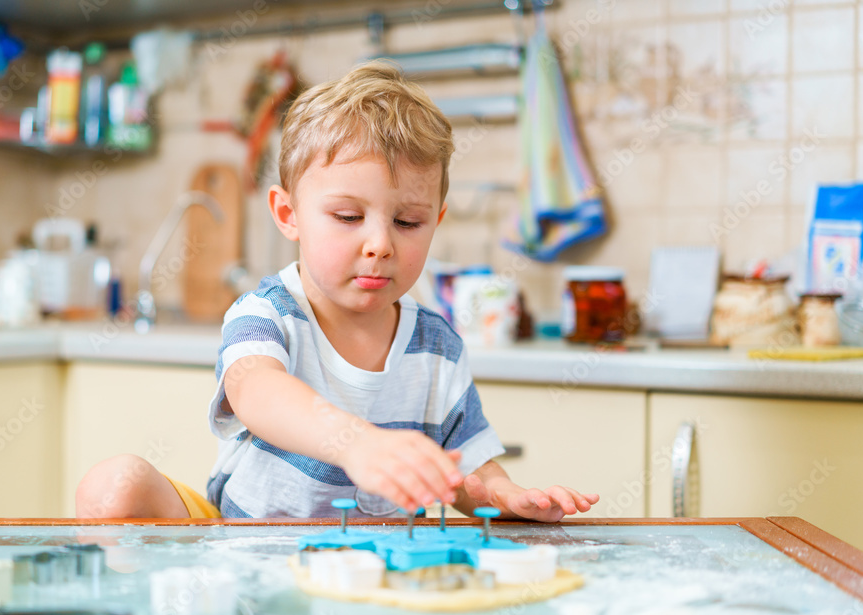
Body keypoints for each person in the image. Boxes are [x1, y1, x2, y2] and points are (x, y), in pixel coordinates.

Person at [76, 61, 599, 521]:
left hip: (374, 569)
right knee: (113, 487)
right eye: (348, 217)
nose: (380, 244)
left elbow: (466, 468)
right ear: (288, 214)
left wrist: (508, 498)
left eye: (409, 222)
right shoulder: (265, 313)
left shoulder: (437, 344)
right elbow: (256, 392)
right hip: (243, 543)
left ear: (436, 220)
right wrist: (357, 444)